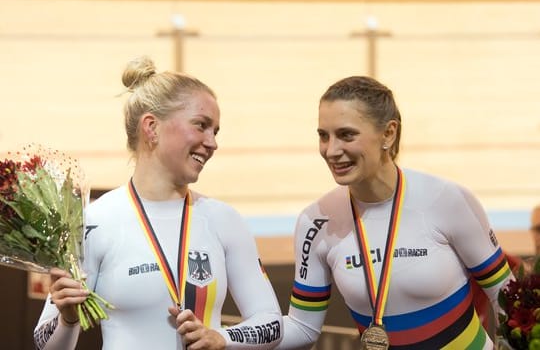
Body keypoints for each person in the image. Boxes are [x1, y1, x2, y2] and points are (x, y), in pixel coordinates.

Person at [33, 56, 282, 350]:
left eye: (215, 131)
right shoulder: (94, 222)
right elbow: (42, 343)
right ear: (151, 128)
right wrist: (68, 319)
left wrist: (223, 337)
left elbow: (271, 323)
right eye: (201, 125)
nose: (212, 142)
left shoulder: (224, 219)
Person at [278, 76, 514, 349]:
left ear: (388, 133)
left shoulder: (448, 200)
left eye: (346, 134)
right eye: (323, 135)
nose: (331, 150)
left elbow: (506, 298)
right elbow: (301, 327)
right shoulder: (315, 221)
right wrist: (227, 340)